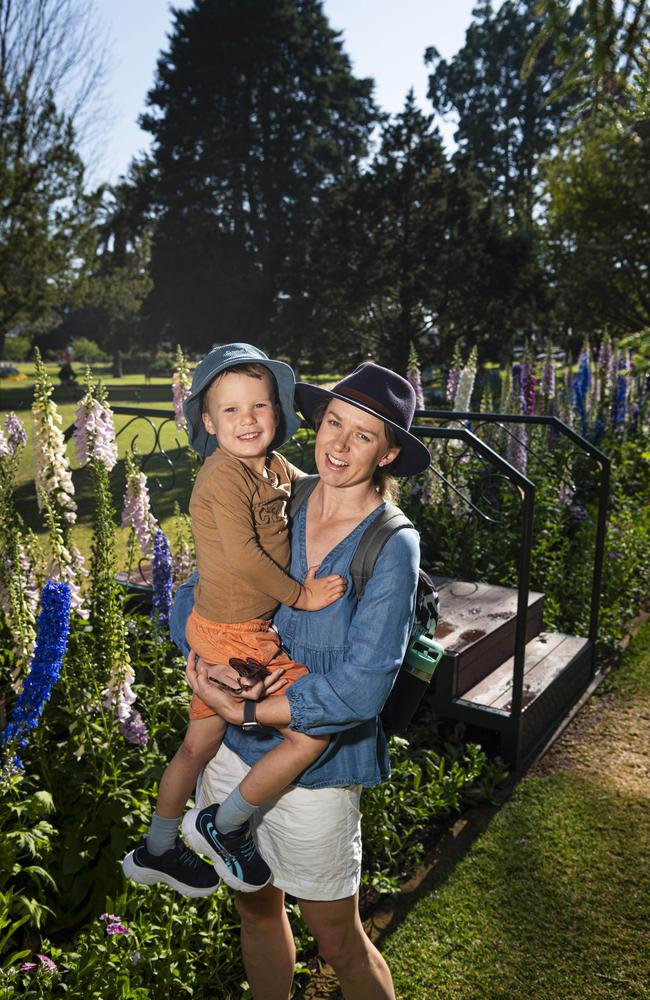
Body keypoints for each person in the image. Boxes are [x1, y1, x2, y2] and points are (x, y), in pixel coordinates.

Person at [176, 361, 432, 1000]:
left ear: (390, 453)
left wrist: (248, 713)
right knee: (256, 909)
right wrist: (202, 654)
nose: (340, 445)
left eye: (364, 435)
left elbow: (361, 691)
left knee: (338, 940)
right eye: (334, 423)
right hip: (236, 758)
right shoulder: (280, 492)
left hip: (315, 770)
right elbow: (203, 587)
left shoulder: (390, 545)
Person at [123, 344, 346, 897]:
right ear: (206, 420)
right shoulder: (224, 476)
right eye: (231, 410)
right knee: (311, 729)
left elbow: (311, 486)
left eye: (260, 407)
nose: (247, 421)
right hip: (233, 634)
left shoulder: (270, 465)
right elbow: (246, 556)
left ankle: (156, 849)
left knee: (198, 746)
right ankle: (223, 826)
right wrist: (302, 596)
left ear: (278, 412)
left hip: (223, 626)